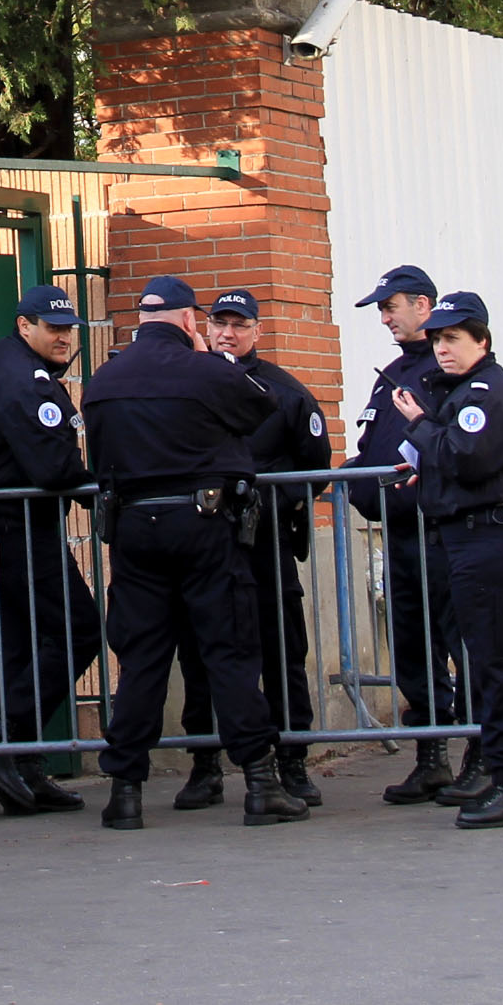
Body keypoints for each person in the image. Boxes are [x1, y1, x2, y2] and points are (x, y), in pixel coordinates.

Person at [81, 277, 306, 830]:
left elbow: (99, 459)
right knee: (229, 651)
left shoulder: (103, 380)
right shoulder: (206, 371)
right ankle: (261, 782)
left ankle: (125, 793)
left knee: (142, 660)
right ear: (189, 321)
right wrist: (208, 360)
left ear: (140, 320)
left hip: (135, 529)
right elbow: (260, 408)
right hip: (203, 525)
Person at [161, 290, 334, 811]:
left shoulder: (284, 391)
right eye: (220, 323)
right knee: (200, 656)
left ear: (258, 331)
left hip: (264, 545)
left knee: (282, 653)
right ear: (206, 328)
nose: (228, 333)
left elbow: (315, 467)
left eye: (239, 325)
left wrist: (270, 496)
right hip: (202, 545)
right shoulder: (186, 387)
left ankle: (292, 762)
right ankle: (205, 765)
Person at [392, 291, 503, 829]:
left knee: (497, 666)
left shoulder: (485, 392)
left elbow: (466, 455)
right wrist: (429, 464)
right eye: (436, 338)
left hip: (494, 539)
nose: (442, 348)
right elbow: (460, 461)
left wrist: (419, 425)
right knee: (489, 663)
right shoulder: (465, 391)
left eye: (453, 338)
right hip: (479, 538)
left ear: (481, 340)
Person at [0, 284, 100, 816]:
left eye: (69, 329)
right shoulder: (23, 379)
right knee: (78, 630)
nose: (63, 338)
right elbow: (52, 467)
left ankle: (21, 763)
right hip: (16, 524)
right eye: (53, 328)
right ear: (24, 325)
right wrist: (100, 487)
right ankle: (5, 737)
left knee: (17, 643)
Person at [349, 263, 466, 804]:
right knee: (413, 649)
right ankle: (431, 757)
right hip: (400, 534)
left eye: (390, 307)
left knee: (465, 646)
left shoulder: (450, 370)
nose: (384, 318)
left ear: (422, 305)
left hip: (446, 532)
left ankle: (482, 756)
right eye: (381, 309)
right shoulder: (393, 373)